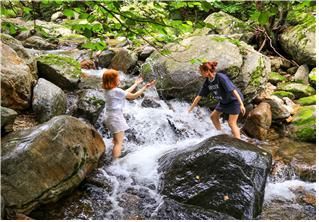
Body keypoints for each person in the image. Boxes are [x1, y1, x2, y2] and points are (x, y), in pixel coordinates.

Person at [102, 69, 156, 160]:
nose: (119, 80)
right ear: (113, 80)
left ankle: (111, 156)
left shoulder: (108, 91)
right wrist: (144, 88)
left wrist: (136, 84)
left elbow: (125, 93)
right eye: (117, 78)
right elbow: (133, 96)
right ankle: (115, 163)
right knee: (119, 142)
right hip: (116, 118)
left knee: (115, 140)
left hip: (109, 117)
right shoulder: (116, 91)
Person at [188, 61, 245, 139]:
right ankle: (222, 135)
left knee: (231, 123)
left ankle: (239, 142)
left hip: (234, 100)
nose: (200, 73)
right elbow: (199, 96)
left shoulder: (220, 77)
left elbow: (233, 90)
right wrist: (190, 110)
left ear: (207, 71)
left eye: (201, 71)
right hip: (223, 101)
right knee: (213, 116)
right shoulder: (207, 82)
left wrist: (241, 104)